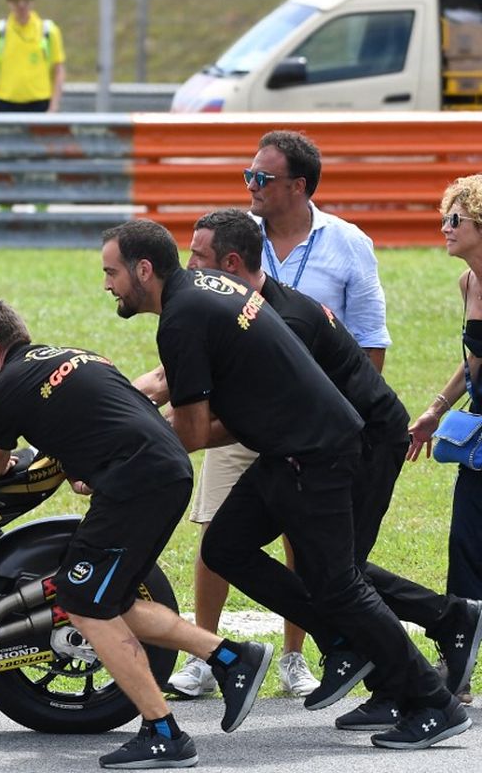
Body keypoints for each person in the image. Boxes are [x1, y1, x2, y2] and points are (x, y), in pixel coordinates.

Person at [102, 218, 470, 750]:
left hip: (315, 454)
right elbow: (181, 389)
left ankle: (432, 702)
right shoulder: (206, 290)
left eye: (111, 272)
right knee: (226, 545)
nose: (107, 284)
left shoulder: (181, 318)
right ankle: (342, 638)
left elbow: (192, 430)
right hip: (291, 450)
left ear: (143, 270)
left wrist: (117, 459)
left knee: (339, 581)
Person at [0, 300, 271, 770]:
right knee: (110, 599)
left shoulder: (2, 389)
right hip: (165, 470)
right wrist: (85, 463)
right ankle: (230, 658)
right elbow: (101, 417)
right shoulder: (72, 354)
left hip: (137, 484)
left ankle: (164, 733)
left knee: (82, 603)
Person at [164, 129, 392, 699]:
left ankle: (295, 657)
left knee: (308, 548)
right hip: (236, 410)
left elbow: (368, 343)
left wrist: (336, 420)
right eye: (249, 175)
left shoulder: (347, 243)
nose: (251, 186)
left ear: (299, 185)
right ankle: (204, 652)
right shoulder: (232, 236)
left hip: (308, 427)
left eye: (262, 178)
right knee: (217, 529)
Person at [408, 174, 482, 700]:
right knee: (466, 545)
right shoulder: (469, 283)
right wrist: (437, 408)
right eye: (443, 217)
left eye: (454, 219)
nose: (444, 228)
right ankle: (457, 672)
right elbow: (476, 359)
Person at [0, 0, 65, 113]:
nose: (21, 5)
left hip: (40, 103)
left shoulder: (48, 31)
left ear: (32, 0)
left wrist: (53, 108)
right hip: (5, 103)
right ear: (8, 1)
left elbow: (58, 70)